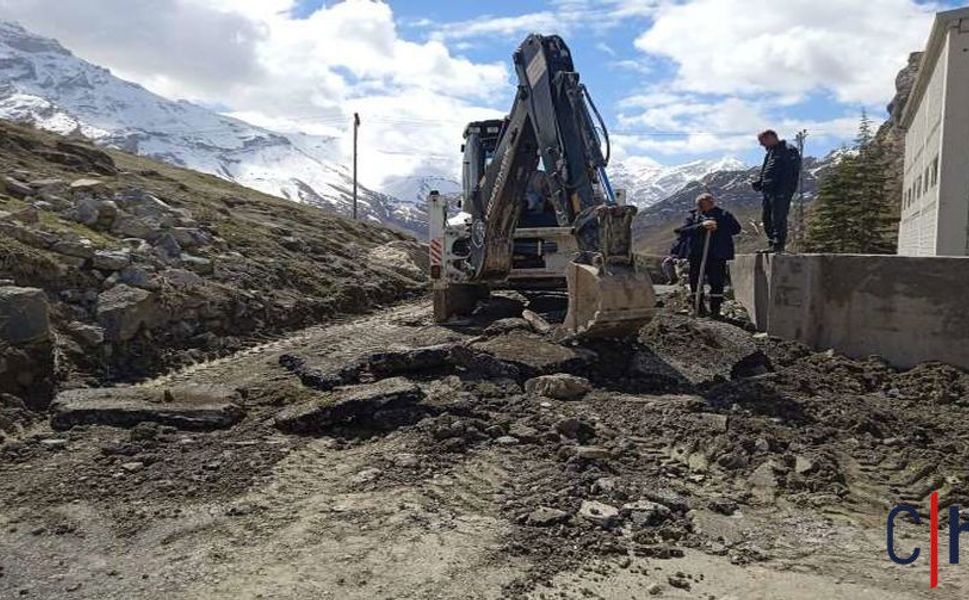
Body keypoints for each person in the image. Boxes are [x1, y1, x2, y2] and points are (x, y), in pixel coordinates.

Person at [672, 193, 741, 318]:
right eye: (699, 204)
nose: (701, 207)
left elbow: (736, 229)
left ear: (711, 202)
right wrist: (701, 226)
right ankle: (699, 308)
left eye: (704, 203)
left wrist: (718, 226)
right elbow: (681, 231)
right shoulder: (693, 216)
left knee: (717, 282)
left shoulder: (724, 214)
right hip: (697, 254)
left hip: (717, 254)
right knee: (696, 281)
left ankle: (715, 310)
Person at [751, 129, 800, 253]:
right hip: (769, 192)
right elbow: (768, 171)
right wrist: (760, 183)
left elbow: (791, 172)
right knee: (766, 218)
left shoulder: (788, 150)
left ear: (771, 137)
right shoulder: (771, 152)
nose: (761, 145)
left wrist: (782, 187)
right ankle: (772, 244)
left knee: (778, 218)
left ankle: (778, 245)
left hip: (781, 191)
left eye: (763, 141)